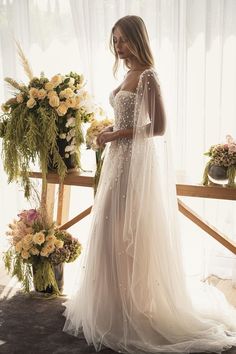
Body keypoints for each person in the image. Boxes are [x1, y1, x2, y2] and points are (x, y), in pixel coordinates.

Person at [63, 15, 236, 353]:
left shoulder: (148, 75)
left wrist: (115, 134)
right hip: (117, 163)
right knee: (110, 232)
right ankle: (111, 305)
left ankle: (134, 307)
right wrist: (107, 134)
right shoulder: (126, 74)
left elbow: (158, 127)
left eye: (123, 39)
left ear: (137, 39)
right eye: (114, 40)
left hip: (134, 165)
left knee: (129, 233)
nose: (118, 46)